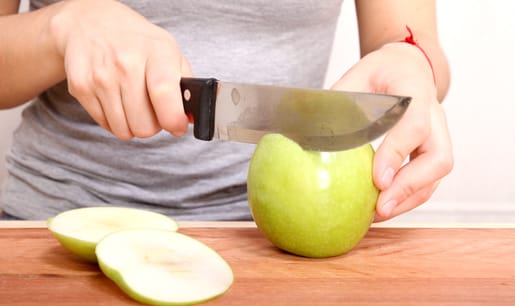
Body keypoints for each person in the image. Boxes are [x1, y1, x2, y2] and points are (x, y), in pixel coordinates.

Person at [0, 0, 452, 222]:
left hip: (279, 234)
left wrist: (412, 57)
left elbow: (410, 39)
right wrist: (60, 27)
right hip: (56, 222)